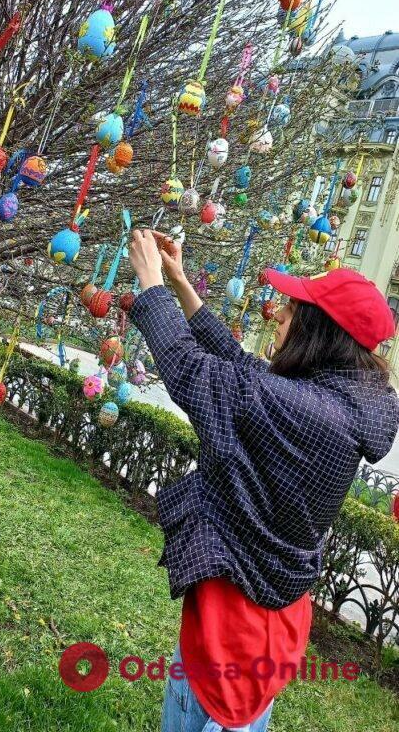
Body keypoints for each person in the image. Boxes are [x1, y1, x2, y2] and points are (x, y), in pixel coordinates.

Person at [128, 229, 399, 732]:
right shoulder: (337, 404)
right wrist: (181, 283)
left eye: (292, 310)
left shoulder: (308, 412)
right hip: (265, 625)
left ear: (319, 333)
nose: (275, 313)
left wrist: (149, 283)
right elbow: (241, 367)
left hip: (228, 640)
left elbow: (193, 371)